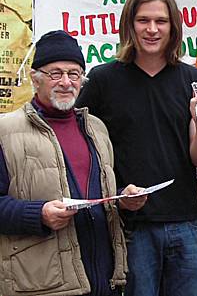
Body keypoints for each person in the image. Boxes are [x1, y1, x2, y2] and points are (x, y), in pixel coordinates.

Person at [75, 0, 197, 296]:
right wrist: (116, 193)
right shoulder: (102, 80)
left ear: (173, 27)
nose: (152, 29)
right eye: (143, 20)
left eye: (160, 21)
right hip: (129, 228)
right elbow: (81, 151)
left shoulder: (195, 79)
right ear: (129, 25)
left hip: (187, 223)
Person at [0, 30, 147, 296]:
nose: (66, 82)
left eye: (74, 73)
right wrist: (39, 214)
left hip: (104, 280)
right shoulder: (5, 131)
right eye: (55, 73)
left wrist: (124, 201)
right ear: (35, 79)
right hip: (44, 285)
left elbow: (104, 196)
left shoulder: (97, 129)